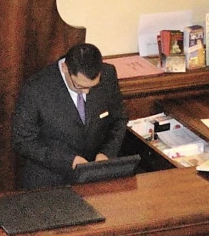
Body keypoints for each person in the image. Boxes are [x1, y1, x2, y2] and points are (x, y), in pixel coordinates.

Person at [12, 43, 126, 188]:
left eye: (92, 86)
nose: (86, 92)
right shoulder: (36, 89)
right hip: (50, 180)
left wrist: (106, 154)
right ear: (65, 68)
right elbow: (22, 140)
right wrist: (68, 160)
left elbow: (118, 120)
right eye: (80, 86)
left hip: (95, 178)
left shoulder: (108, 74)